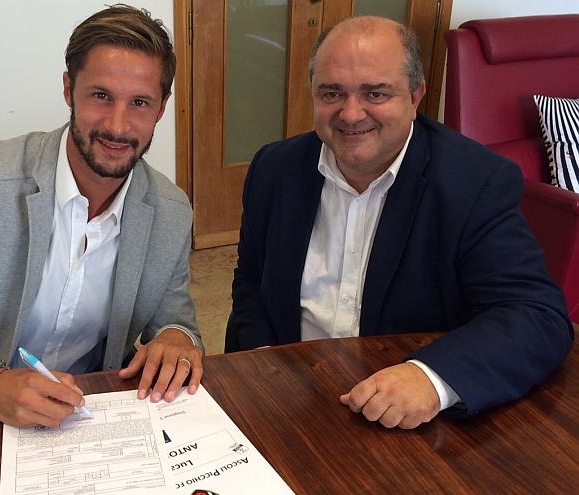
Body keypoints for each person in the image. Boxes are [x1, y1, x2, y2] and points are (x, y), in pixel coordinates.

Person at [229, 16, 573, 429]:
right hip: (291, 402)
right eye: (332, 92)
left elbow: (536, 315)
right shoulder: (273, 168)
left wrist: (432, 377)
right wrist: (258, 363)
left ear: (415, 96)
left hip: (409, 421)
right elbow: (251, 278)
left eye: (375, 93)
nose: (350, 113)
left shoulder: (475, 182)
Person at [0, 5, 204, 427]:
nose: (118, 126)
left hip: (78, 424)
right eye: (101, 96)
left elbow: (175, 323)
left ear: (161, 108)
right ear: (69, 89)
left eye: (140, 102)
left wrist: (177, 338)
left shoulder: (170, 212)